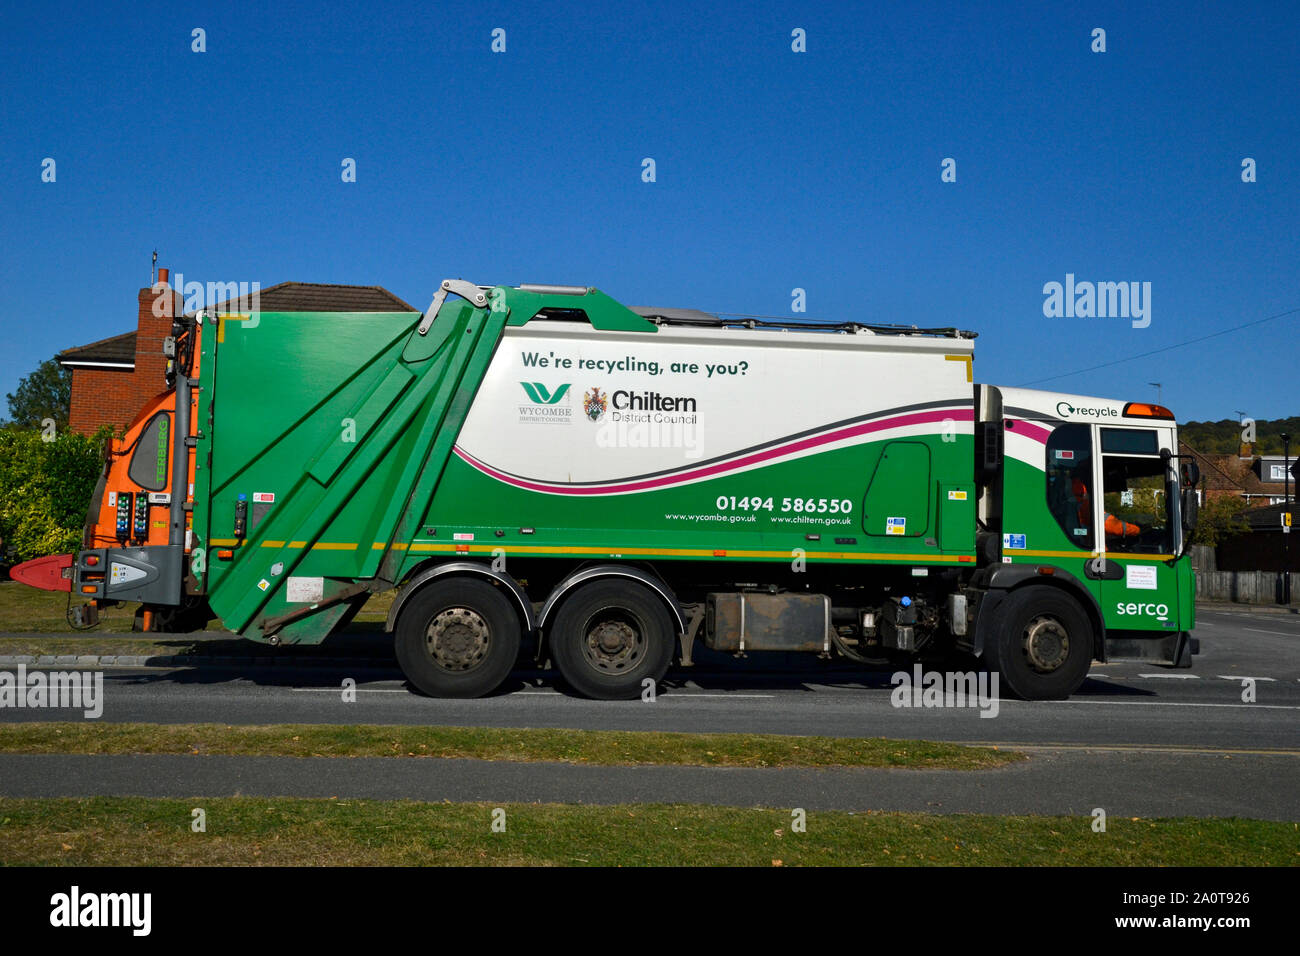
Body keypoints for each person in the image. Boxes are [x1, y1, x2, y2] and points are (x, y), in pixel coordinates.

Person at [1072, 478, 1141, 542]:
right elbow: (1113, 526)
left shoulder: (1072, 506)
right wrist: (1137, 530)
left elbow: (1078, 531)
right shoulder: (1085, 506)